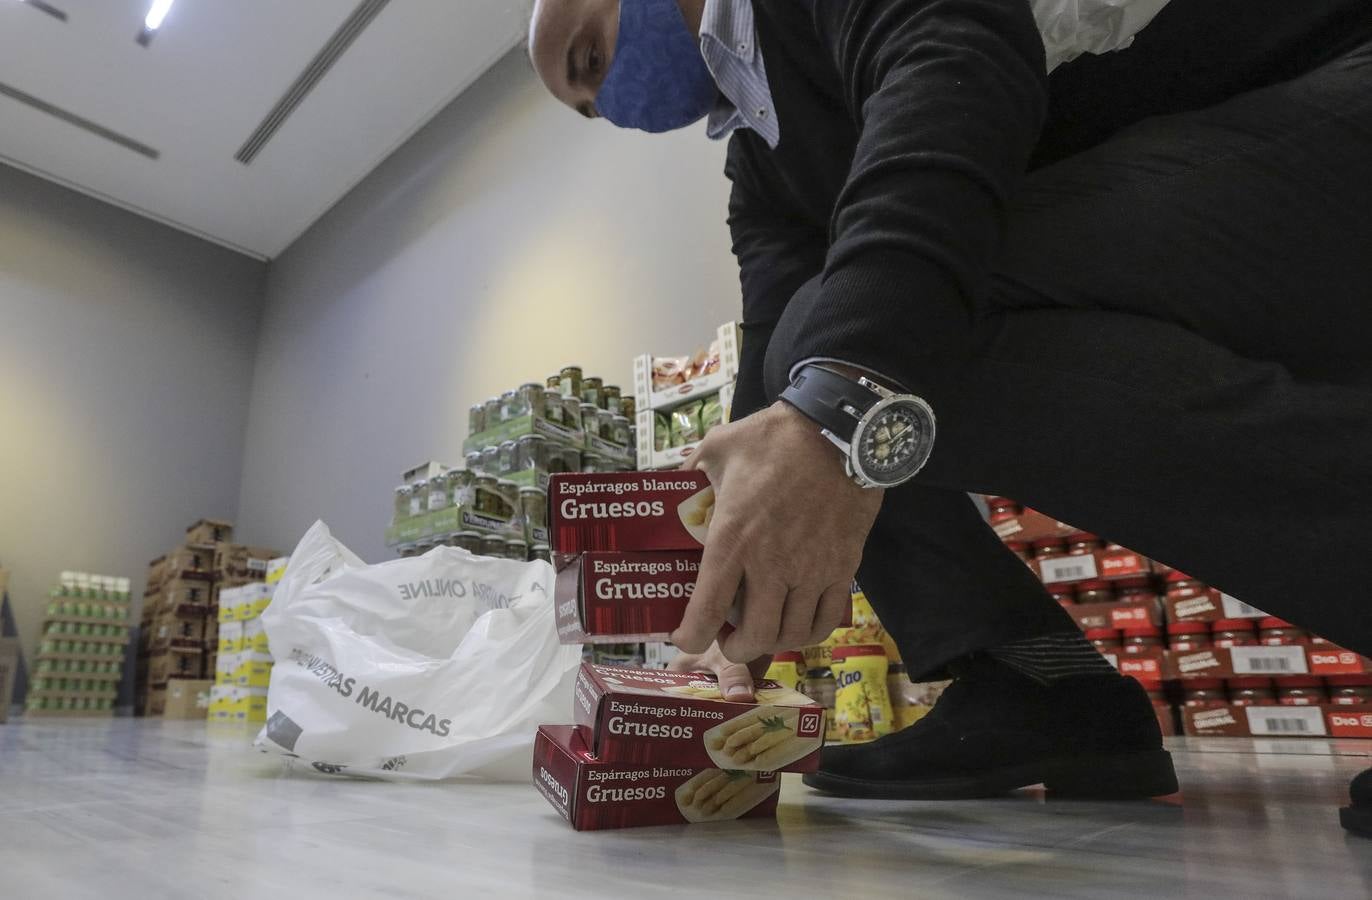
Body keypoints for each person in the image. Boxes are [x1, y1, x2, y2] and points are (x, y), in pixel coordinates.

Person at [526, 0, 1372, 834]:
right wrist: (729, 606)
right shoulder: (762, 149)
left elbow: (956, 71)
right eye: (590, 109)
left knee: (850, 357)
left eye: (592, 62)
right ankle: (1032, 681)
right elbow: (770, 353)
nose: (612, 108)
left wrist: (830, 406)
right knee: (820, 365)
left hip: (1325, 105)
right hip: (1213, 203)